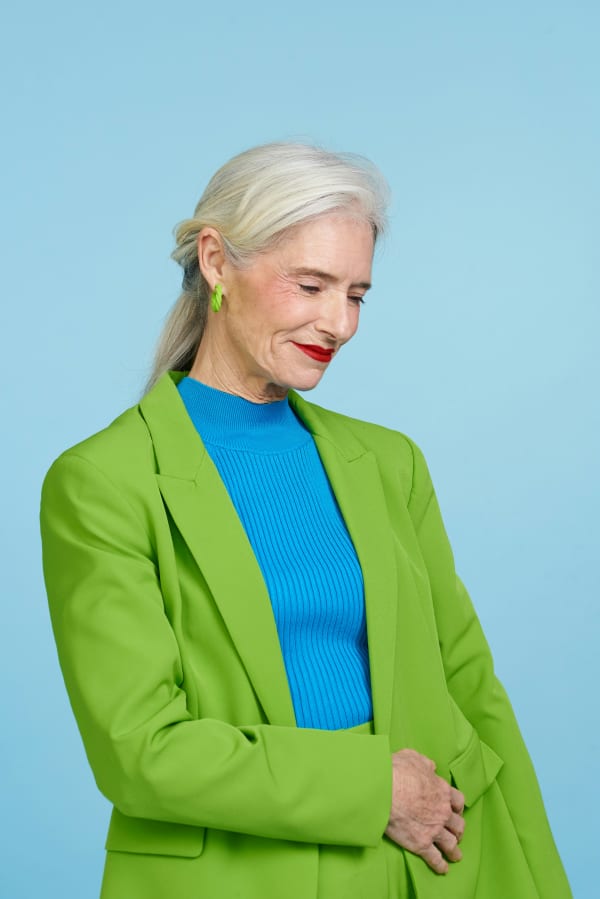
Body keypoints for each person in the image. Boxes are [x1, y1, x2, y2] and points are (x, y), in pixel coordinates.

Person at [40, 142, 572, 899]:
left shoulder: (390, 462)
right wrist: (371, 789)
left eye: (357, 293)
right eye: (312, 284)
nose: (341, 322)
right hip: (242, 873)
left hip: (436, 864)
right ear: (217, 262)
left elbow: (470, 687)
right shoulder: (102, 482)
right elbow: (141, 749)